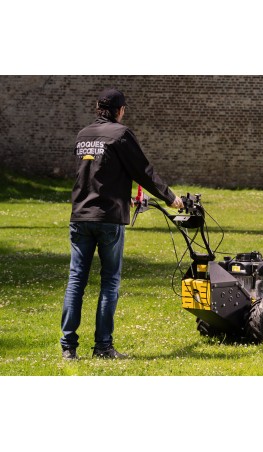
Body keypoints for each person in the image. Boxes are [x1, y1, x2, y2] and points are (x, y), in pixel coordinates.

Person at [60, 88, 183, 360]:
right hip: (108, 220)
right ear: (120, 110)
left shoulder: (83, 135)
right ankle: (103, 347)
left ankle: (68, 348)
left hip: (80, 216)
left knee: (76, 281)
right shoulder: (120, 134)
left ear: (97, 107)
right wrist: (170, 197)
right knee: (109, 282)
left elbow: (94, 175)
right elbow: (143, 171)